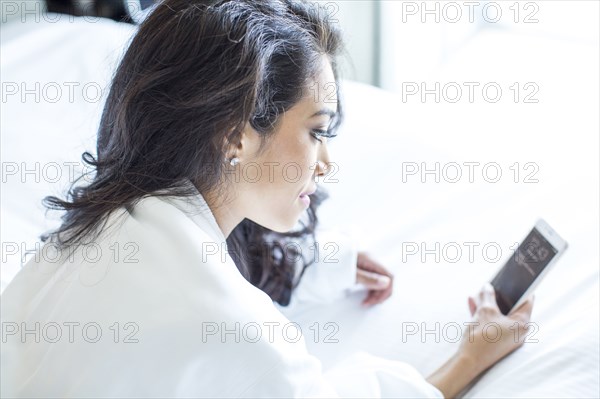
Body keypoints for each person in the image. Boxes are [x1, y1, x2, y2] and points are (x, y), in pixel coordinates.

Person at [0, 0, 534, 397]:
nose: (325, 164)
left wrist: (310, 268)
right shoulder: (240, 331)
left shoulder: (103, 225)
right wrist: (469, 357)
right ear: (236, 133)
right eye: (316, 130)